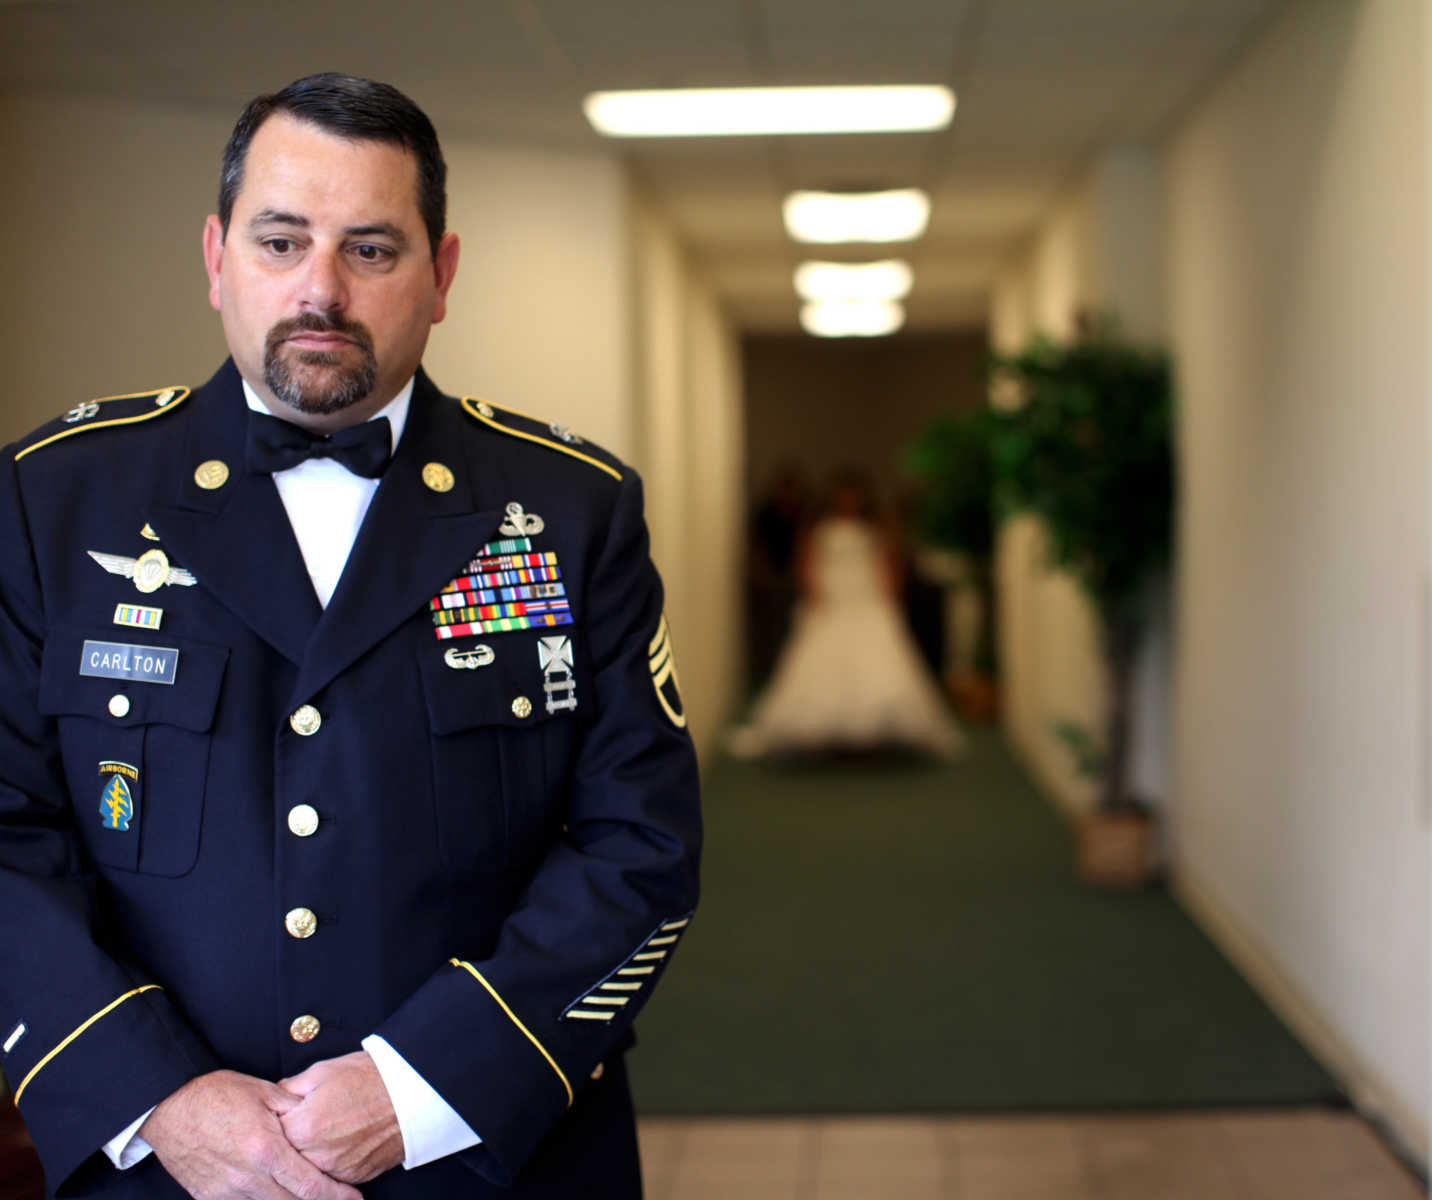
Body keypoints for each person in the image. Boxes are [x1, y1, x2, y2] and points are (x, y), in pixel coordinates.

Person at [0, 73, 700, 1200]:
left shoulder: (570, 511)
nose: (320, 289)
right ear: (217, 256)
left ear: (441, 276)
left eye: (371, 249)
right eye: (282, 241)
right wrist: (157, 1097)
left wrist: (422, 1087)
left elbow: (640, 848)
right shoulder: (54, 500)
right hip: (166, 1173)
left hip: (492, 1156)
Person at [728, 470, 962, 759]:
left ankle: (875, 726)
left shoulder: (873, 528)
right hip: (834, 596)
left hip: (865, 596)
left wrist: (889, 594)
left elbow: (886, 562)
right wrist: (814, 591)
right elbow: (807, 562)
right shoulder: (820, 527)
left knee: (876, 655)